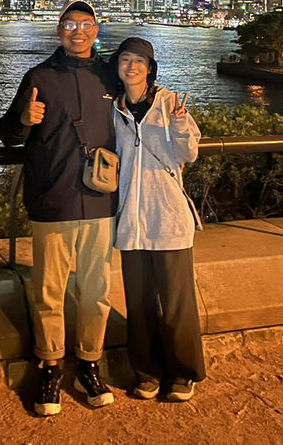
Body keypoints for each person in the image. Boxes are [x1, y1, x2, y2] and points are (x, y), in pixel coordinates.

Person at [0, 0, 117, 416]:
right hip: (53, 198)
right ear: (59, 30)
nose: (78, 31)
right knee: (49, 291)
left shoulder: (110, 75)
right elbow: (8, 134)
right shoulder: (39, 76)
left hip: (101, 199)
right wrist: (24, 119)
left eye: (86, 24)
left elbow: (139, 112)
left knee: (96, 292)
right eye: (70, 24)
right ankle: (50, 365)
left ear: (96, 30)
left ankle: (88, 363)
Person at [110, 37, 206, 402]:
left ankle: (183, 372)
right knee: (138, 303)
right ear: (118, 66)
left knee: (177, 303)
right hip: (131, 221)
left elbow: (188, 154)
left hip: (167, 217)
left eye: (140, 60)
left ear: (150, 68)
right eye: (125, 59)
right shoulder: (114, 108)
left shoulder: (169, 104)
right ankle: (147, 371)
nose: (132, 66)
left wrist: (179, 124)